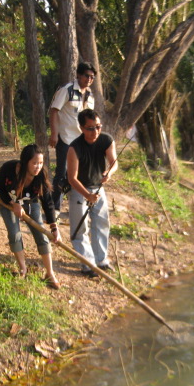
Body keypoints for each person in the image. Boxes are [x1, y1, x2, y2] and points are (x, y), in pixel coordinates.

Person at [0, 144, 61, 289]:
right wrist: (12, 203)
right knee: (14, 233)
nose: (38, 167)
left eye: (41, 163)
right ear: (25, 162)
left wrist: (54, 227)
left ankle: (50, 273)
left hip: (31, 204)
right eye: (34, 163)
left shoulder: (41, 177)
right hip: (8, 203)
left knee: (41, 234)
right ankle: (23, 269)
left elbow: (48, 202)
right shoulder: (9, 169)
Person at [67, 109, 118, 278]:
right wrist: (87, 195)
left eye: (98, 127)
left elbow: (113, 162)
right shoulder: (74, 148)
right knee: (80, 228)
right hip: (79, 189)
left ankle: (101, 261)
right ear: (81, 128)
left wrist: (108, 174)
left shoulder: (106, 140)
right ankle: (88, 264)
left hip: (98, 188)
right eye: (90, 128)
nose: (95, 131)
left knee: (102, 223)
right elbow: (72, 178)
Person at [48, 62, 96, 217]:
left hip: (83, 141)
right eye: (87, 76)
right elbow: (54, 111)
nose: (89, 79)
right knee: (62, 174)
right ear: (78, 75)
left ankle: (77, 207)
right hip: (66, 139)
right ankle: (54, 208)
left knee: (79, 175)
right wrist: (54, 134)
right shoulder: (66, 90)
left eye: (92, 77)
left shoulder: (90, 96)